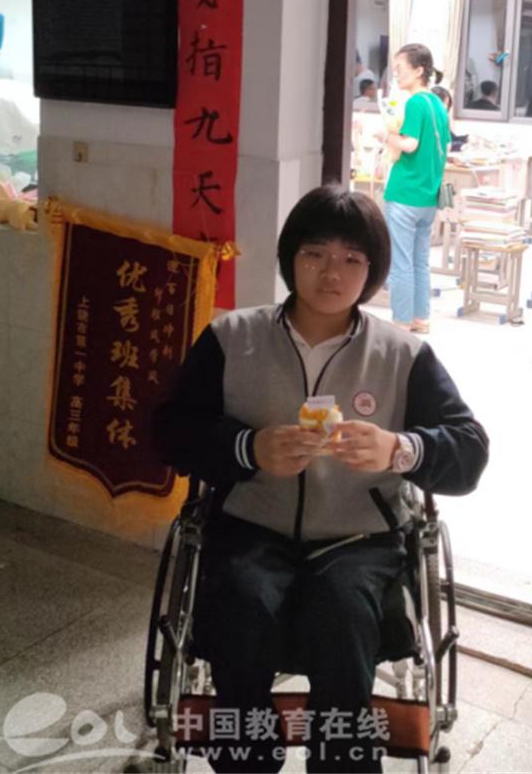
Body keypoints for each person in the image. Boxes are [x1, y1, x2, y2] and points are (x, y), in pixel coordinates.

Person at [153, 185, 488, 774]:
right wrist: (248, 448)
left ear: (373, 271)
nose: (332, 273)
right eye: (315, 254)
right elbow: (171, 431)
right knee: (243, 607)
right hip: (252, 527)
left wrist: (400, 449)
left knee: (343, 615)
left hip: (360, 540)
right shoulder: (233, 339)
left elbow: (469, 451)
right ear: (290, 258)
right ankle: (246, 762)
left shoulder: (402, 355)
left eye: (352, 259)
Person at [382, 43, 450, 333]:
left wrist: (385, 136)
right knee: (420, 262)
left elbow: (409, 144)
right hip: (428, 197)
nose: (396, 74)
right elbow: (445, 146)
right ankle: (420, 318)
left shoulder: (414, 103)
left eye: (400, 68)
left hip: (404, 194)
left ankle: (400, 322)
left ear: (419, 70)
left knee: (401, 262)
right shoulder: (438, 104)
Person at [430, 84, 468, 152]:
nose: (446, 107)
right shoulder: (429, 121)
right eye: (444, 104)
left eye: (447, 105)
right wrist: (462, 146)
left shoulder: (441, 120)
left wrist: (467, 138)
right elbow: (439, 145)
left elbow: (452, 138)